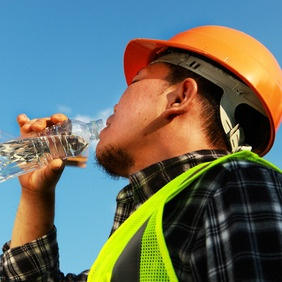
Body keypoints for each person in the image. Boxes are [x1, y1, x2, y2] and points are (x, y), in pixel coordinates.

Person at [0, 25, 282, 281]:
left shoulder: (237, 184)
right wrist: (36, 194)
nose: (116, 104)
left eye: (135, 81)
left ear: (179, 97)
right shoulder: (147, 225)